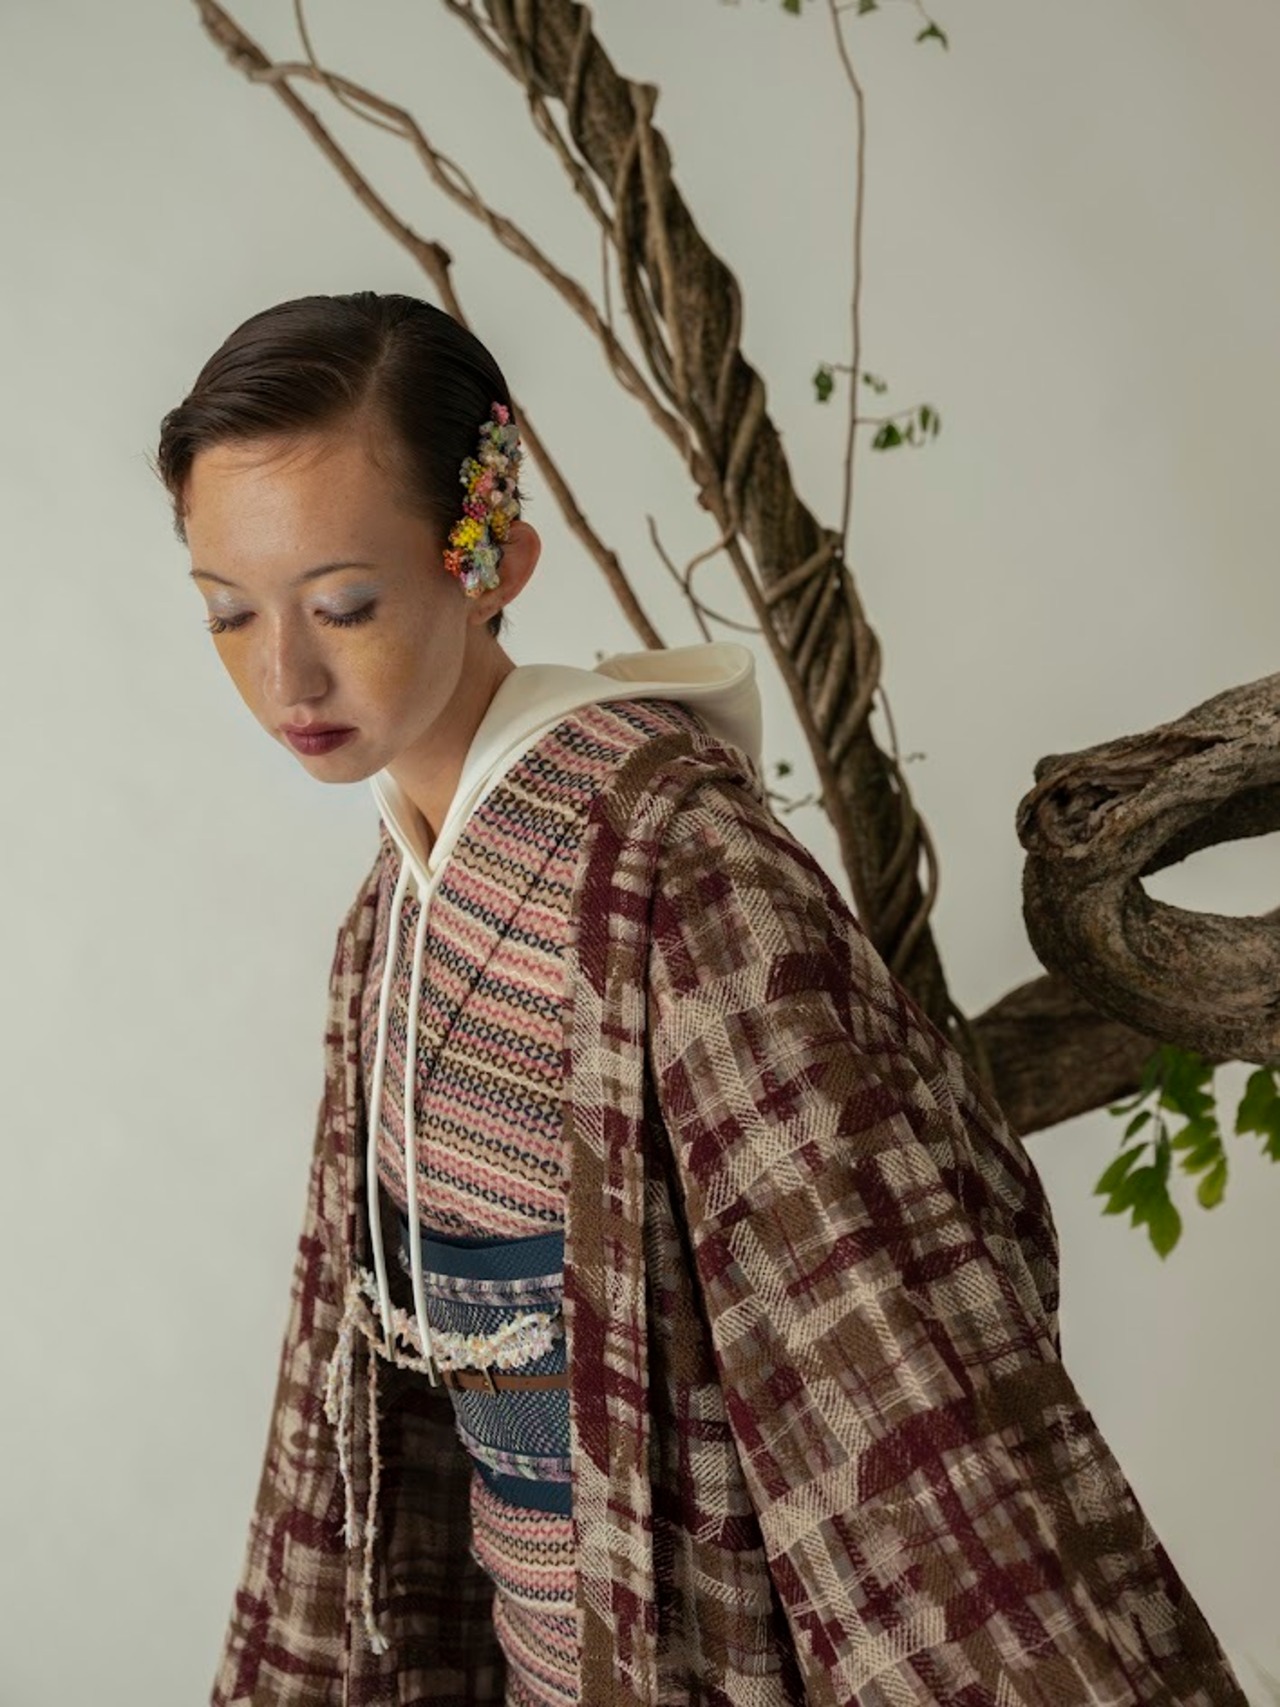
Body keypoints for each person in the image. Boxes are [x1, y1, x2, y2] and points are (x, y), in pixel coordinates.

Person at [155, 291, 1248, 1707]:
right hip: (528, 1636)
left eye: (343, 605)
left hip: (689, 1630)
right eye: (229, 613)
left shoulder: (675, 863)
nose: (282, 672)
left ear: (491, 561)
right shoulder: (388, 917)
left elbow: (883, 1316)